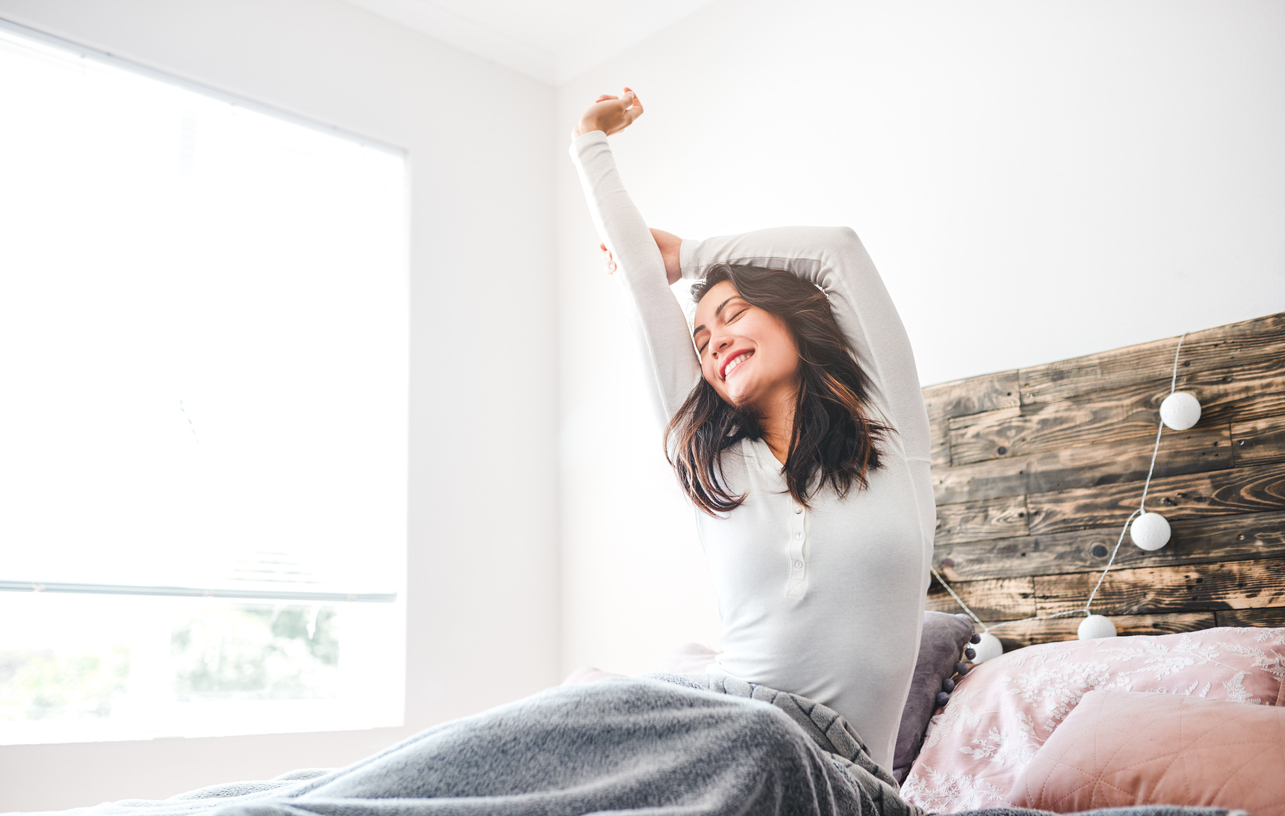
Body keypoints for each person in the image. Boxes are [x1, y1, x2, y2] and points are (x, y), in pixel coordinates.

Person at [568, 88, 936, 774]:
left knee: (763, 744)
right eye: (701, 336)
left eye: (734, 314)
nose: (713, 342)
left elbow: (838, 251)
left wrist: (694, 256)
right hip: (719, 735)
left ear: (791, 322)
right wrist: (588, 141)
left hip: (832, 780)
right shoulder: (716, 469)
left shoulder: (893, 440)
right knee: (572, 708)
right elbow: (641, 286)